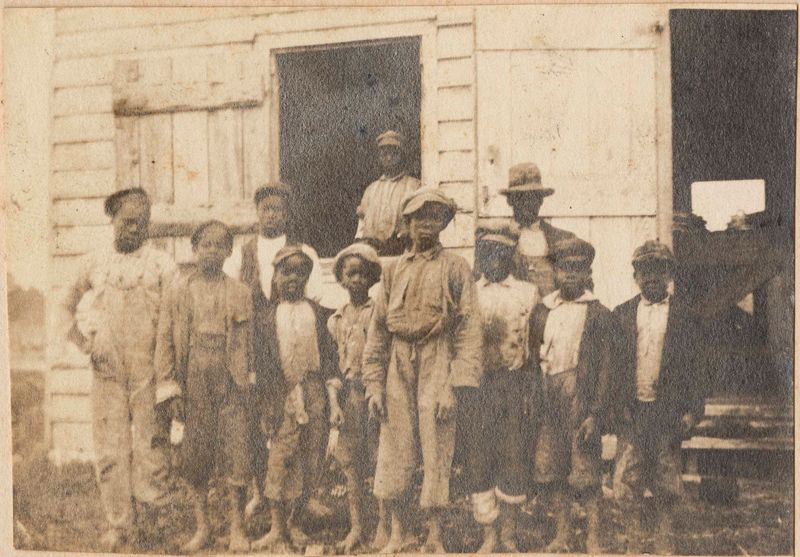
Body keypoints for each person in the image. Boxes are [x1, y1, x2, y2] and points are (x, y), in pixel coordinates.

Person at [362, 188, 482, 554]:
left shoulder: (456, 268)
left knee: (436, 445)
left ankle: (434, 536)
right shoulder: (393, 270)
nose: (427, 224)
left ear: (444, 224)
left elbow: (469, 329)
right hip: (398, 361)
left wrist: (454, 386)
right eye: (420, 218)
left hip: (438, 359)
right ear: (407, 224)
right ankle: (398, 532)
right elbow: (379, 330)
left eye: (436, 217)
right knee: (395, 446)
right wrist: (374, 387)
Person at [64, 188, 175, 552]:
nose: (135, 229)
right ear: (112, 219)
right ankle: (119, 525)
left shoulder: (162, 264)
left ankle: (151, 520)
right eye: (127, 222)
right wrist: (84, 344)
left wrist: (168, 368)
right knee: (111, 451)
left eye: (142, 223)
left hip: (150, 367)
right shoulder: (94, 262)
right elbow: (63, 307)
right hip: (107, 370)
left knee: (151, 446)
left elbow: (176, 316)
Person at [222, 182, 328, 523]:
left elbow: (317, 299)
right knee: (262, 421)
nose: (272, 214)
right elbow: (232, 297)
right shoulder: (243, 252)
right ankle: (260, 492)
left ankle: (306, 495)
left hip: (295, 341)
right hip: (259, 344)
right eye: (266, 208)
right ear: (257, 212)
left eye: (279, 209)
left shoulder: (304, 251)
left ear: (287, 213)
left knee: (306, 424)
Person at [154, 221, 254, 553]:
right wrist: (171, 389)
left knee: (237, 451)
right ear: (194, 250)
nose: (212, 251)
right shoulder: (179, 291)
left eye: (219, 245)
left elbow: (249, 344)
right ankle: (204, 526)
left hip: (230, 379)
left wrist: (246, 381)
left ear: (229, 252)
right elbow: (166, 342)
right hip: (194, 378)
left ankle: (238, 526)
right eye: (205, 245)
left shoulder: (240, 292)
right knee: (195, 455)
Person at [611, 240, 706, 554]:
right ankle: (634, 543)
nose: (652, 277)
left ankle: (665, 543)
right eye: (645, 270)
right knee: (627, 480)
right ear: (635, 276)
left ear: (670, 274)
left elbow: (697, 366)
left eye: (659, 270)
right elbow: (613, 368)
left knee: (666, 480)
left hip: (667, 412)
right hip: (632, 410)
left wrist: (693, 411)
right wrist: (616, 408)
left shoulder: (685, 315)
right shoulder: (622, 314)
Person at [251, 246, 344, 553]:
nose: (293, 278)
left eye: (300, 272)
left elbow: (330, 359)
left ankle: (296, 521)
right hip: (281, 395)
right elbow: (263, 366)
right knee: (280, 457)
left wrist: (332, 397)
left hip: (314, 390)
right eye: (286, 271)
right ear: (274, 276)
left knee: (311, 456)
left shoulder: (318, 314)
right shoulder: (265, 319)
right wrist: (268, 404)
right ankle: (277, 528)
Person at [529, 237, 614, 554]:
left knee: (586, 471)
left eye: (577, 270)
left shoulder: (597, 313)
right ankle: (562, 535)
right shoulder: (543, 310)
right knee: (553, 468)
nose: (570, 277)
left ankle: (593, 537)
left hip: (580, 394)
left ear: (587, 273)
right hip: (549, 394)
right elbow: (532, 356)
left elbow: (605, 368)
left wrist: (595, 411)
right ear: (554, 272)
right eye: (564, 269)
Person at [469, 224, 540, 553]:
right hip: (480, 387)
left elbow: (536, 346)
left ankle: (509, 534)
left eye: (500, 255)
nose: (493, 262)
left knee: (513, 455)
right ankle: (489, 535)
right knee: (481, 457)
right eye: (486, 255)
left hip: (514, 385)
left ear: (510, 258)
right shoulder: (472, 292)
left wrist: (528, 388)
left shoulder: (527, 292)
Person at [327, 243, 385, 553]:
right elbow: (333, 368)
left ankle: (384, 526)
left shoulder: (380, 312)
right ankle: (356, 527)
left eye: (363, 274)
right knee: (351, 466)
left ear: (373, 278)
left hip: (376, 395)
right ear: (341, 279)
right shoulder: (335, 320)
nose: (357, 280)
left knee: (379, 461)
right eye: (351, 274)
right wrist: (335, 403)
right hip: (349, 396)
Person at [500, 162, 577, 297]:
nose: (527, 203)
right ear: (509, 201)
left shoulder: (563, 239)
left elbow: (581, 287)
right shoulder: (496, 242)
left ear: (541, 200)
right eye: (520, 197)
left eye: (533, 197)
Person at [355, 130, 421, 255]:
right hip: (373, 254)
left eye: (394, 153)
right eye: (385, 154)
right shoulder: (371, 190)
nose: (389, 158)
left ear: (402, 156)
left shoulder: (414, 186)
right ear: (379, 157)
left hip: (402, 253)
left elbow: (419, 225)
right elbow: (361, 227)